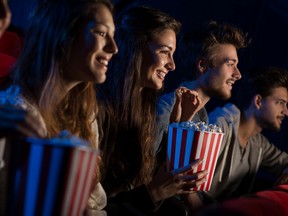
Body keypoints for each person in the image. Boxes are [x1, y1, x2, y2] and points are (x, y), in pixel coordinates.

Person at [0, 0, 118, 215]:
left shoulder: (86, 112)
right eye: (101, 33)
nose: (114, 47)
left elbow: (95, 203)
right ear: (63, 35)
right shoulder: (14, 113)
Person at [96, 6, 206, 215]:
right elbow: (94, 206)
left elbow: (146, 177)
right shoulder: (99, 108)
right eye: (165, 52)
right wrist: (153, 193)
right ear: (134, 49)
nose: (172, 65)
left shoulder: (143, 106)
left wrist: (179, 126)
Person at [155, 20, 248, 211]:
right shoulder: (165, 108)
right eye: (230, 64)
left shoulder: (202, 117)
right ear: (203, 65)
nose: (238, 74)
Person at [205, 67, 288, 205]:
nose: (286, 112)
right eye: (280, 103)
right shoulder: (219, 126)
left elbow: (284, 162)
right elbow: (185, 176)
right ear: (258, 102)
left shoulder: (258, 142)